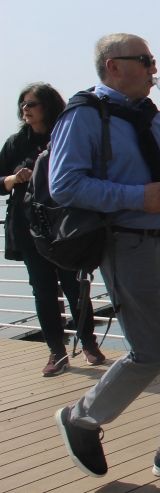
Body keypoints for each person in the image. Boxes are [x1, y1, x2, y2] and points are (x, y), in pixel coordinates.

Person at [50, 33, 160, 481]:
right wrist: (136, 197)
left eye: (153, 60)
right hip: (126, 242)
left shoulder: (150, 114)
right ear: (114, 66)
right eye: (145, 60)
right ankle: (82, 417)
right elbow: (64, 184)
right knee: (152, 350)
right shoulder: (84, 115)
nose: (154, 68)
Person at [1, 83, 104, 376]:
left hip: (66, 227)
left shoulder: (64, 136)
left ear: (47, 105)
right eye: (22, 104)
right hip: (29, 230)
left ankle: (89, 344)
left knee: (76, 288)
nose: (25, 109)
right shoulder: (15, 143)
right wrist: (13, 179)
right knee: (43, 292)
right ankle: (56, 353)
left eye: (31, 103)